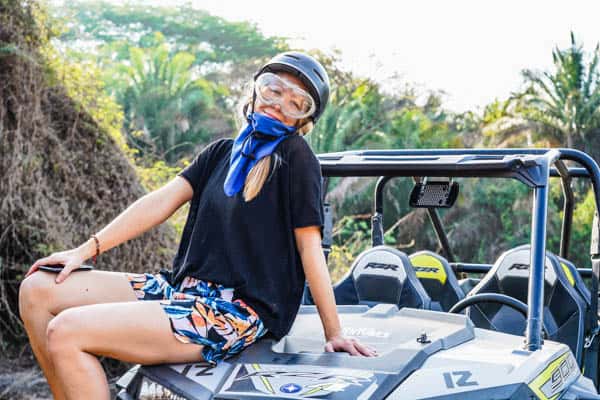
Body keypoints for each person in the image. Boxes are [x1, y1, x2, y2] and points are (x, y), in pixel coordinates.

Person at [18, 51, 376, 400]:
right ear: (256, 89)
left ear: (303, 120)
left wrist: (334, 332)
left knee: (67, 331)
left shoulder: (296, 159)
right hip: (182, 289)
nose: (279, 104)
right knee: (37, 290)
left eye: (297, 102)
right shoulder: (221, 152)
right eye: (273, 89)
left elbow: (309, 248)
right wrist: (84, 250)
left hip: (232, 312)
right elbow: (159, 202)